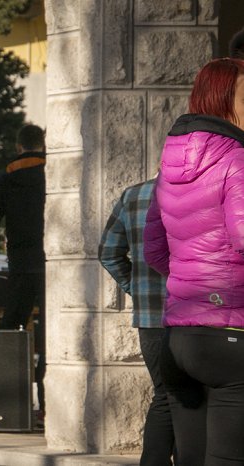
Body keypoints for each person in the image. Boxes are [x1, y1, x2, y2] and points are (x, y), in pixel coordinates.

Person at [143, 57, 244, 465]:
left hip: (179, 340)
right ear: (224, 101)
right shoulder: (237, 159)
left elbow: (153, 250)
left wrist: (195, 280)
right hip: (230, 337)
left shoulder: (169, 164)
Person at [98, 178, 174, 465]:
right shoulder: (206, 188)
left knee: (165, 396)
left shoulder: (134, 195)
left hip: (151, 317)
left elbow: (108, 252)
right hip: (198, 315)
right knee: (193, 400)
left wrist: (137, 288)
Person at [0, 124, 47, 420]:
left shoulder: (6, 179)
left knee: (11, 326)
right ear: (42, 144)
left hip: (21, 264)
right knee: (48, 332)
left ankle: (6, 405)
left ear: (19, 146)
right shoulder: (49, 173)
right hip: (50, 264)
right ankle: (46, 406)